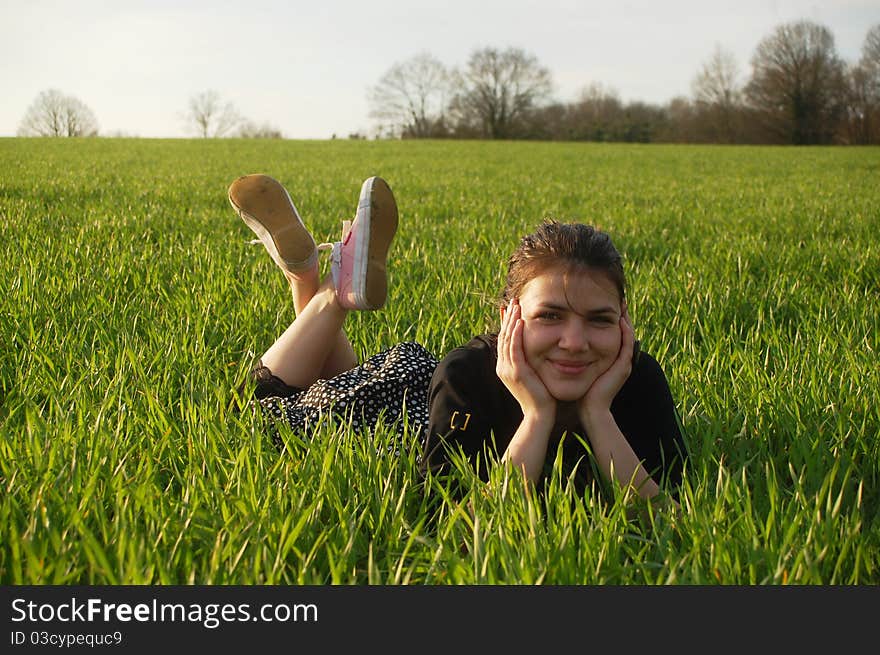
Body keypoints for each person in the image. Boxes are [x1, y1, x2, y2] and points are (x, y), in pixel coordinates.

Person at [228, 174, 687, 502]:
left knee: (343, 383)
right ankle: (326, 289)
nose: (574, 341)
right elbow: (463, 525)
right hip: (413, 419)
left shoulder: (637, 376)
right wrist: (536, 414)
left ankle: (311, 274)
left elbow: (662, 517)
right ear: (510, 317)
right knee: (268, 402)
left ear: (624, 322)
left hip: (423, 394)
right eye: (550, 315)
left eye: (599, 320)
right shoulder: (466, 372)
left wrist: (597, 412)